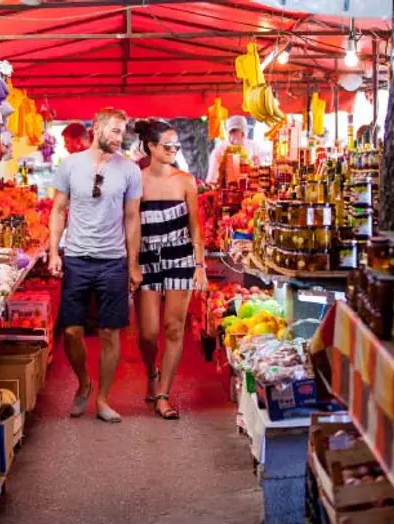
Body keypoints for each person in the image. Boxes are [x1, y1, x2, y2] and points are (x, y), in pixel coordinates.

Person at [48, 107, 143, 423]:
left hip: (112, 261)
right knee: (72, 331)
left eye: (123, 132)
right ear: (97, 128)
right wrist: (53, 253)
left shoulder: (130, 170)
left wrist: (132, 264)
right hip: (76, 257)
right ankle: (84, 383)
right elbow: (58, 210)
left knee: (109, 332)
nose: (120, 137)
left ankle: (102, 398)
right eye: (115, 130)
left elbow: (132, 218)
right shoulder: (70, 165)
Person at [133, 119, 206, 420]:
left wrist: (199, 265)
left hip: (181, 257)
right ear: (151, 146)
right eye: (167, 146)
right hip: (147, 258)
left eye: (176, 145)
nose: (174, 150)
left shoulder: (186, 180)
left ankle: (163, 393)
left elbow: (196, 227)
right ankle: (152, 371)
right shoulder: (136, 180)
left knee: (174, 327)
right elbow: (132, 223)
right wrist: (132, 263)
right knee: (148, 332)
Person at [205, 115, 264, 185]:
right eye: (231, 132)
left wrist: (255, 166)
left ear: (244, 133)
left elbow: (261, 173)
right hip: (226, 188)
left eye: (236, 131)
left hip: (250, 188)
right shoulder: (220, 150)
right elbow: (211, 180)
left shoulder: (254, 147)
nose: (233, 136)